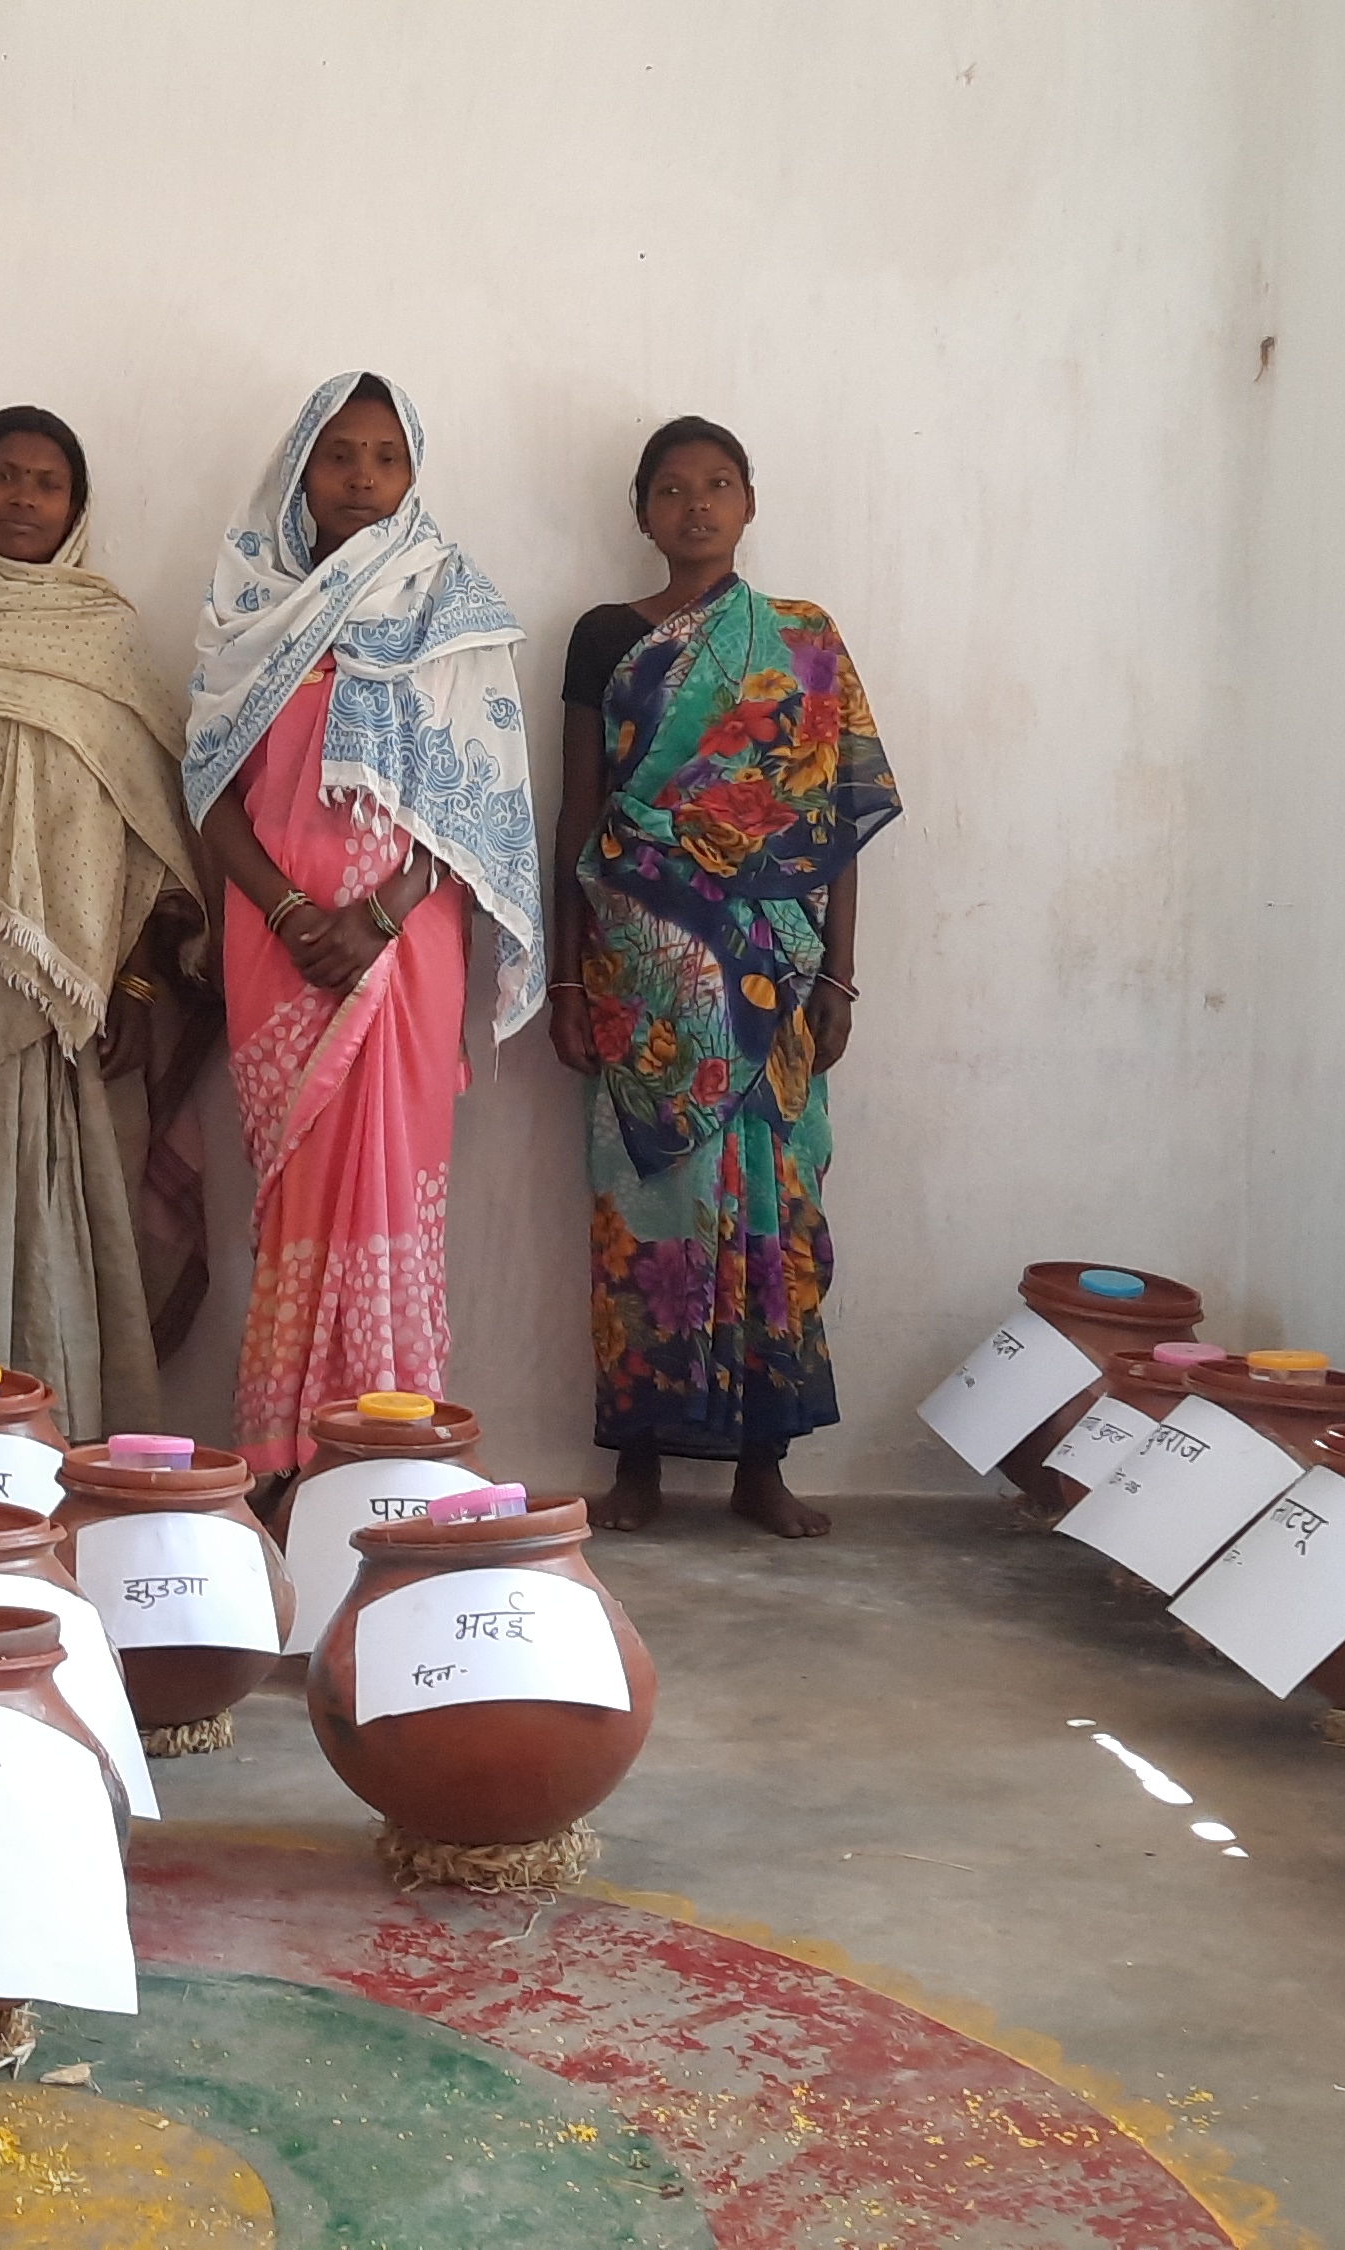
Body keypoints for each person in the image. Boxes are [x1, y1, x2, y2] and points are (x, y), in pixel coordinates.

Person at [185, 373, 543, 1478]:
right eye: (337, 454)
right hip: (274, 943)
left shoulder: (454, 604)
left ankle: (385, 1458)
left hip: (404, 947)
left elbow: (474, 795)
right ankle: (287, 1461)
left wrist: (379, 916)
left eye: (383, 457)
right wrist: (293, 912)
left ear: (411, 473)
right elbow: (208, 791)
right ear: (301, 467)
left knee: (391, 1188)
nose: (359, 478)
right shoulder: (247, 609)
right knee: (294, 1202)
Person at [548, 418, 900, 1538]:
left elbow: (833, 821)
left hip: (776, 970)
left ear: (749, 502)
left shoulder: (801, 640)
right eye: (669, 489)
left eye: (716, 486)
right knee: (645, 1214)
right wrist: (563, 982)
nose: (694, 506)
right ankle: (639, 1460)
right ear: (639, 513)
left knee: (775, 1209)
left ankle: (763, 1463)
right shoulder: (602, 637)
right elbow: (580, 813)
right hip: (643, 971)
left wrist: (838, 980)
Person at [0, 407, 213, 1435]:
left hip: (80, 985)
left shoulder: (104, 642)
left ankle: (71, 1436)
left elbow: (142, 828)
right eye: (3, 478)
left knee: (76, 1213)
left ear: (75, 506)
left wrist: (140, 983)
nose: (23, 499)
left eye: (46, 482)